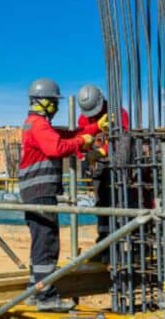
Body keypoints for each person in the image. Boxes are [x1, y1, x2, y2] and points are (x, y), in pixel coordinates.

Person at [19, 78, 105, 312]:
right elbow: (56, 148)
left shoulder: (36, 123)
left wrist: (95, 128)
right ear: (43, 102)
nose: (56, 107)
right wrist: (82, 141)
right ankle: (45, 296)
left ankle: (34, 291)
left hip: (36, 192)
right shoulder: (37, 125)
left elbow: (68, 135)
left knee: (41, 242)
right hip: (40, 192)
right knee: (47, 242)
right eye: (54, 102)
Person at [77, 84, 129, 260]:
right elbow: (79, 138)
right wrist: (84, 155)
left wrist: (103, 150)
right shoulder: (84, 118)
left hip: (117, 167)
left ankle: (119, 249)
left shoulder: (118, 113)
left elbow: (124, 140)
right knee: (101, 207)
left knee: (119, 205)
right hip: (98, 168)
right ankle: (103, 246)